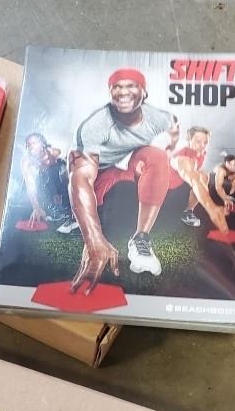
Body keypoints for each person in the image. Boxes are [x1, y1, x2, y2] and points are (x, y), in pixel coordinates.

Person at [68, 67, 179, 292]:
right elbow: (80, 177)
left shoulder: (159, 118)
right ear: (110, 92)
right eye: (117, 87)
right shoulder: (96, 125)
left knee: (157, 157)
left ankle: (140, 239)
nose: (123, 92)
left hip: (124, 166)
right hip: (98, 175)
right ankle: (82, 228)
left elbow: (173, 129)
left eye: (131, 86)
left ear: (144, 91)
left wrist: (167, 151)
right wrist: (93, 239)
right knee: (91, 222)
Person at [168, 126, 229, 232]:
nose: (202, 145)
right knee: (199, 177)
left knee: (204, 175)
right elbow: (194, 180)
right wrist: (212, 208)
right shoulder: (181, 157)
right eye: (198, 141)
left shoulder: (201, 153)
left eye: (205, 142)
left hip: (179, 185)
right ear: (189, 140)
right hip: (163, 189)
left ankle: (188, 212)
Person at [20, 133, 78, 234]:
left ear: (42, 144)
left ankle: (70, 215)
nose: (30, 146)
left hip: (59, 177)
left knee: (60, 171)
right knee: (42, 178)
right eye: (28, 144)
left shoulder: (54, 152)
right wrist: (36, 207)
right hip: (42, 184)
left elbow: (69, 171)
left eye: (33, 143)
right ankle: (53, 212)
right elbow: (30, 184)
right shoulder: (27, 161)